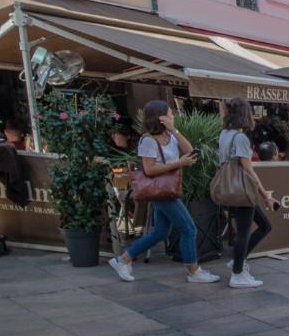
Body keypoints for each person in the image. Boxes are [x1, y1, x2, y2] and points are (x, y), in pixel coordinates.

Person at [109, 101, 220, 284]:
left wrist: (174, 130)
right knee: (189, 229)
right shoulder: (147, 140)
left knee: (160, 232)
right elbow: (149, 170)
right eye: (170, 113)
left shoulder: (170, 135)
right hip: (160, 190)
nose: (173, 116)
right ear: (160, 117)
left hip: (168, 189)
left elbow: (190, 151)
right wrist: (179, 163)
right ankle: (193, 271)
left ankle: (123, 260)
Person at [218, 98, 276, 289]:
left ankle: (238, 261)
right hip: (242, 190)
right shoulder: (241, 138)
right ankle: (237, 274)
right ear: (245, 114)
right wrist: (265, 194)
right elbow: (248, 169)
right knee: (245, 231)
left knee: (263, 226)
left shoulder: (224, 134)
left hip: (230, 188)